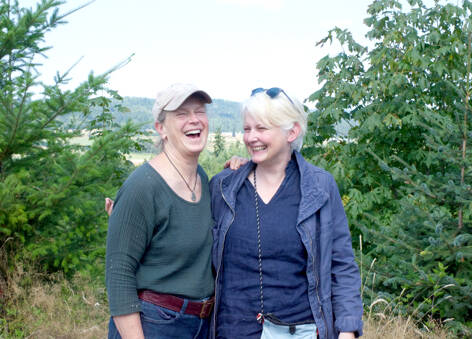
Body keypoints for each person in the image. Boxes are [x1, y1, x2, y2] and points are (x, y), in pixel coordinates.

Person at [209, 87, 364, 338]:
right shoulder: (223, 186)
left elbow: (342, 264)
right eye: (247, 129)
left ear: (292, 132)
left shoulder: (320, 187)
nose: (251, 137)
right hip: (234, 329)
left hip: (299, 330)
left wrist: (347, 330)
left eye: (262, 129)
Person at [105, 83, 215, 339]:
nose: (194, 120)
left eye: (199, 111)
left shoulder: (203, 179)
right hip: (155, 324)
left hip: (201, 324)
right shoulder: (142, 186)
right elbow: (119, 276)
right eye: (181, 114)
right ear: (161, 128)